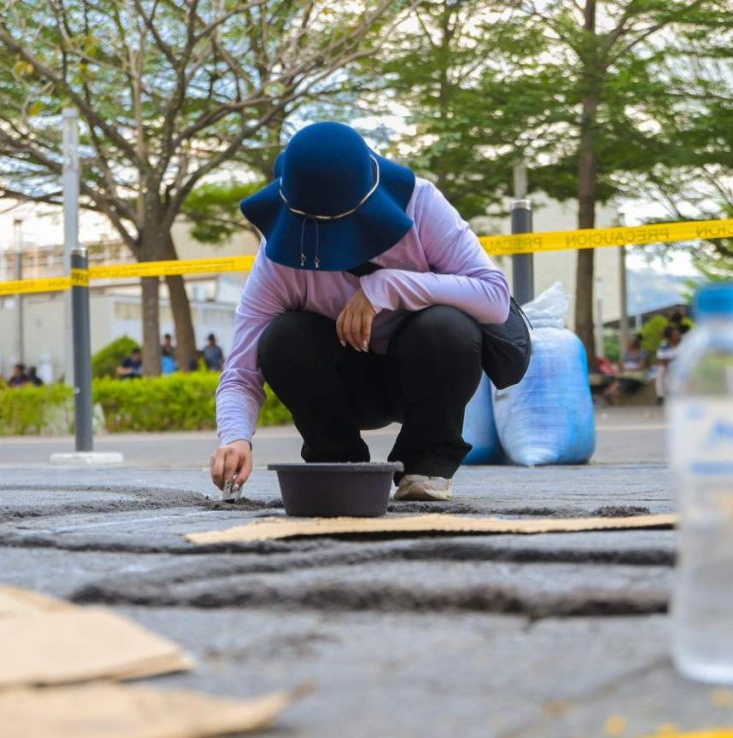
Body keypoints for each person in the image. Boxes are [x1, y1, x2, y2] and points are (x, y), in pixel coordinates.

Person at [210, 122, 510, 502]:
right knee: (283, 337)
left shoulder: (421, 204)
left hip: (422, 376)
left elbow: (495, 296)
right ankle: (338, 463)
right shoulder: (280, 256)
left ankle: (424, 465)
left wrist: (388, 286)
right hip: (344, 388)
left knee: (448, 326)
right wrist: (235, 437)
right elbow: (241, 369)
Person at [655, 325, 683, 405]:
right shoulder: (664, 345)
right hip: (668, 365)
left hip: (681, 365)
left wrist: (670, 361)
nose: (679, 336)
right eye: (676, 335)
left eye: (679, 334)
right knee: (661, 370)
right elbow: (661, 359)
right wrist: (668, 364)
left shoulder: (684, 343)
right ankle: (661, 396)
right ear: (670, 338)